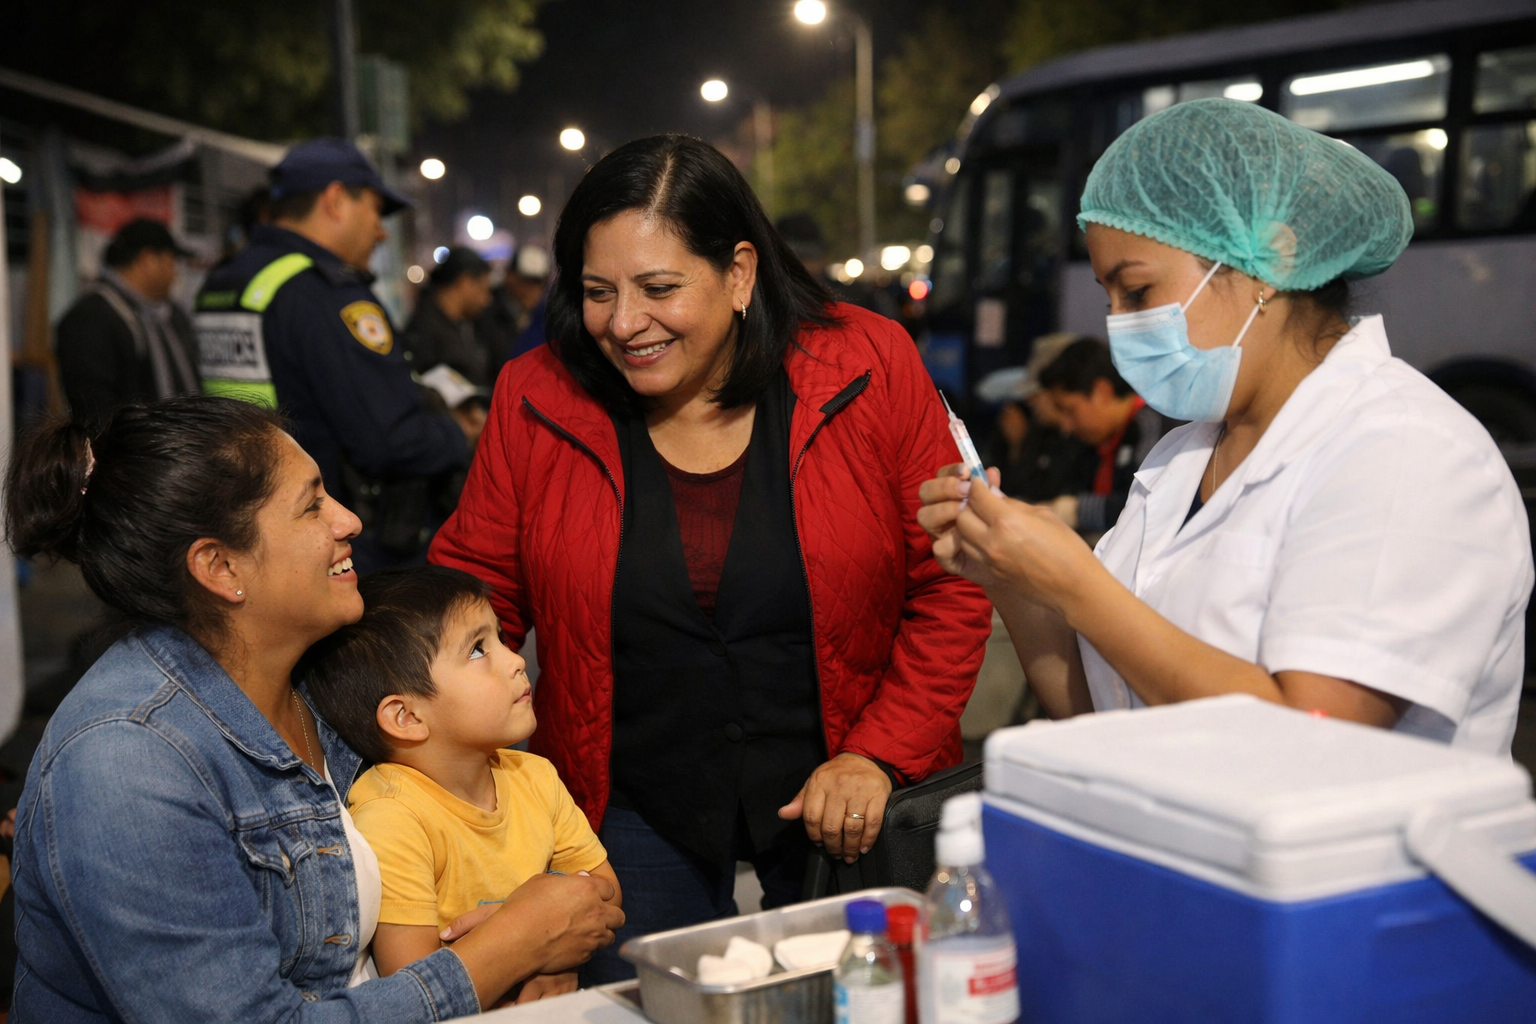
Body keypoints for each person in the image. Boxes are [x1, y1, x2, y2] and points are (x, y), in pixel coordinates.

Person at [429, 135, 992, 982]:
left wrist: (880, 753)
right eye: (597, 291)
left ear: (738, 274)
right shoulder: (537, 397)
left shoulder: (867, 363)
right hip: (629, 803)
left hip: (847, 792)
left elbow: (950, 584)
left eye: (659, 288)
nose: (624, 323)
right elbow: (474, 601)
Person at [918, 98, 1534, 754]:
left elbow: (1314, 741)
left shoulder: (1408, 452)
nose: (1118, 323)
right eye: (1108, 299)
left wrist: (1078, 585)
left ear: (1268, 259)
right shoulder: (1181, 457)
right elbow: (1106, 713)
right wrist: (1011, 576)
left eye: (1138, 292)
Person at [4, 397, 623, 1022]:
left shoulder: (319, 674)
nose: (350, 520)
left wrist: (544, 943)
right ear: (221, 567)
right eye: (312, 505)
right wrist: (510, 949)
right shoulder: (129, 763)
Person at [302, 566, 621, 1003]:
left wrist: (552, 953)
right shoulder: (393, 816)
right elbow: (416, 984)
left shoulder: (534, 775)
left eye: (501, 637)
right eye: (477, 650)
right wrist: (532, 931)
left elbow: (607, 895)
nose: (514, 660)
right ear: (407, 717)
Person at [194, 138, 478, 573]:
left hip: (248, 520)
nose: (382, 230)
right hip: (337, 538)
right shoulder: (324, 294)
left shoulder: (226, 282)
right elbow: (387, 441)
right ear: (336, 200)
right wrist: (459, 434)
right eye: (376, 211)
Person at [55, 219, 200, 428]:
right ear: (147, 260)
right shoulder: (91, 318)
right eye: (172, 262)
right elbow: (94, 410)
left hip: (188, 446)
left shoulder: (171, 314)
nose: (175, 274)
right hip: (133, 453)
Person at [1035, 336, 1170, 536]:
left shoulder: (1151, 424)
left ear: (1103, 392)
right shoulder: (1091, 440)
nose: (1065, 425)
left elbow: (1149, 505)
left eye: (1069, 410)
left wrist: (1075, 510)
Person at [404, 247, 495, 386]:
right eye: (483, 289)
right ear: (465, 282)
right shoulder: (423, 332)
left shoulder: (466, 324)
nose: (486, 300)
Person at [479, 244, 552, 369]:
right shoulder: (486, 311)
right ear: (509, 276)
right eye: (525, 281)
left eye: (538, 282)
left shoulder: (547, 316)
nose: (532, 289)